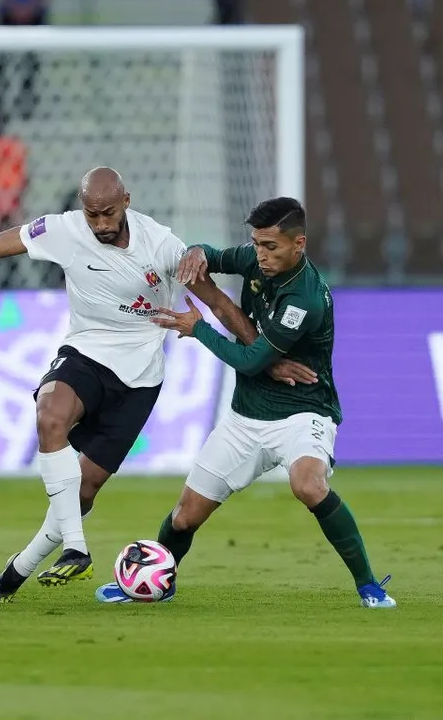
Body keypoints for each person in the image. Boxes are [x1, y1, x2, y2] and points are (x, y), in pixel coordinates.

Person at [0, 168, 314, 602]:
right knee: (49, 413)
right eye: (92, 214)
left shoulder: (162, 246)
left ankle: (17, 570)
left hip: (140, 378)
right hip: (85, 354)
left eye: (108, 214)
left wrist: (267, 361)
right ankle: (77, 548)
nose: (100, 224)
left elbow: (221, 304)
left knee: (82, 491)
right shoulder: (63, 230)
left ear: (127, 202)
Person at [95, 197, 396, 608]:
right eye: (256, 244)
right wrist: (197, 252)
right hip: (244, 419)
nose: (261, 254)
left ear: (299, 244)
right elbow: (211, 256)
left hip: (303, 413)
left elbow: (252, 360)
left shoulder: (305, 299)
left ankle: (369, 586)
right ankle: (155, 582)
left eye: (271, 246)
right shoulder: (256, 260)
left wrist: (198, 329)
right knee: (184, 516)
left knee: (308, 485)